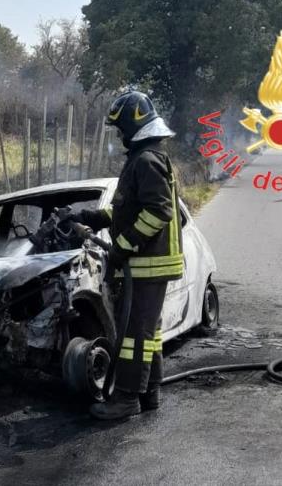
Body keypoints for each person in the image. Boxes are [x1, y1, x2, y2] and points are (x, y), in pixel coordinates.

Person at [65, 91, 184, 420]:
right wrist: (87, 217)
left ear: (133, 126)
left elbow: (157, 212)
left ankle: (126, 399)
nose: (119, 137)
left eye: (121, 130)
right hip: (148, 265)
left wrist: (124, 246)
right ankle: (149, 393)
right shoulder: (144, 158)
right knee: (147, 333)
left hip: (148, 265)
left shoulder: (145, 160)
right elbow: (125, 213)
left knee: (133, 336)